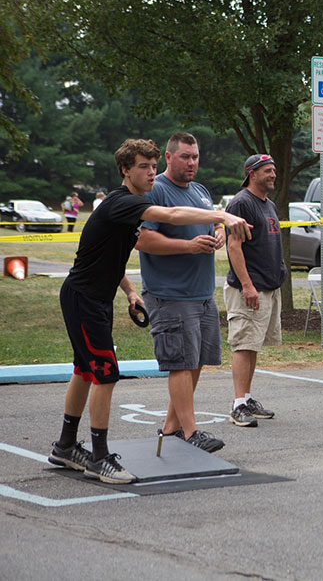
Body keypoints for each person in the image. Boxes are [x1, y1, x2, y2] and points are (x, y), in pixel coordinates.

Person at [47, 139, 250, 484]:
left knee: (85, 370)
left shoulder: (131, 205)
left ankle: (65, 446)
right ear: (126, 170)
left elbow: (107, 255)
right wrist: (221, 213)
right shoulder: (122, 203)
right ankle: (99, 457)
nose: (151, 172)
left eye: (154, 166)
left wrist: (128, 292)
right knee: (106, 373)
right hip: (83, 297)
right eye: (143, 166)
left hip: (96, 297)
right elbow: (170, 215)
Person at [135, 132, 226, 453]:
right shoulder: (155, 190)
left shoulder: (200, 191)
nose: (192, 163)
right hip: (169, 294)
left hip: (202, 293)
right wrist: (188, 246)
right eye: (185, 157)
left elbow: (215, 224)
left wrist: (218, 235)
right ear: (169, 158)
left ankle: (172, 428)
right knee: (179, 362)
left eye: (196, 157)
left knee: (196, 360)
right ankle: (191, 432)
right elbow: (143, 240)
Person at [224, 154, 287, 427]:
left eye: (274, 170)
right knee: (243, 344)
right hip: (248, 288)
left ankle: (247, 398)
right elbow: (233, 247)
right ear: (252, 174)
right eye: (268, 171)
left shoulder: (268, 204)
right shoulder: (241, 203)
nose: (273, 174)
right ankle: (238, 405)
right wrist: (247, 285)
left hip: (268, 287)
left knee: (253, 346)